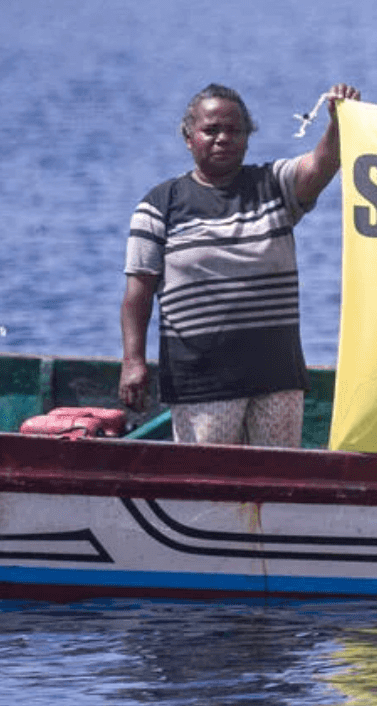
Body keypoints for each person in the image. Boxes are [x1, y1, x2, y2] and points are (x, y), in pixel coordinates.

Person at [119, 82, 360, 446]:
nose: (222, 138)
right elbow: (138, 294)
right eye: (210, 130)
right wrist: (133, 361)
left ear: (248, 138)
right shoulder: (159, 206)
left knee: (276, 484)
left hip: (277, 377)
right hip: (202, 384)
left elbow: (323, 164)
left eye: (234, 130)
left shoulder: (274, 186)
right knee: (209, 487)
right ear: (189, 137)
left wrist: (340, 120)